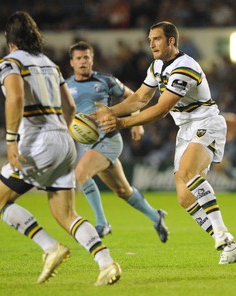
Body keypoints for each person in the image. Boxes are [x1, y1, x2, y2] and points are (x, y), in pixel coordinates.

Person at [93, 21, 236, 264]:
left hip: (207, 122)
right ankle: (231, 246)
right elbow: (141, 98)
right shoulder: (157, 66)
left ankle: (222, 232)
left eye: (157, 39)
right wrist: (111, 112)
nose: (151, 44)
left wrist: (121, 124)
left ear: (171, 41)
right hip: (186, 129)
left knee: (187, 172)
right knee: (184, 197)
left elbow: (161, 109)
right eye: (150, 39)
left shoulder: (184, 67)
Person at [0, 11, 121, 286]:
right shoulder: (50, 63)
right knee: (65, 215)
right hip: (64, 138)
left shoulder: (8, 63)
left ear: (9, 38)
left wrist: (11, 140)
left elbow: (14, 97)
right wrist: (62, 137)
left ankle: (51, 248)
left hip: (36, 141)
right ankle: (106, 263)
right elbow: (70, 107)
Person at [66, 41, 169, 242]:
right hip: (88, 144)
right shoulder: (66, 86)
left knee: (81, 174)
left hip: (109, 139)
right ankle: (156, 216)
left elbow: (133, 96)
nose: (83, 62)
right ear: (71, 62)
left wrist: (137, 124)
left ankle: (102, 223)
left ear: (92, 59)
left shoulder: (106, 80)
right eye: (78, 58)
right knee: (123, 191)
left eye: (86, 57)